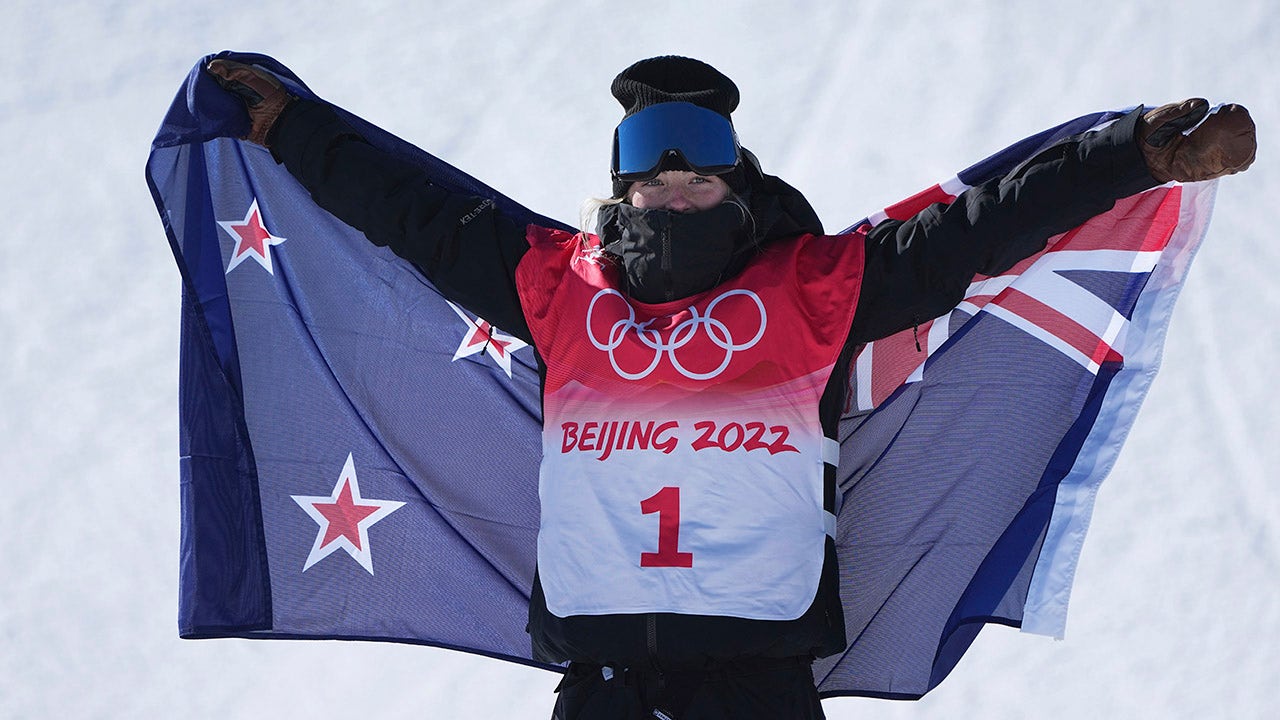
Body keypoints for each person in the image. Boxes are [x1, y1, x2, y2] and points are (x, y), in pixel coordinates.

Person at [206, 55, 1255, 719]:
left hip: (758, 685)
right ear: (622, 193)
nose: (675, 199)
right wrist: (292, 130)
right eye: (654, 183)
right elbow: (416, 212)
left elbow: (977, 230)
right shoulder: (559, 285)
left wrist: (1130, 156)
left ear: (735, 187)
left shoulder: (813, 285)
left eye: (698, 180)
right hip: (604, 685)